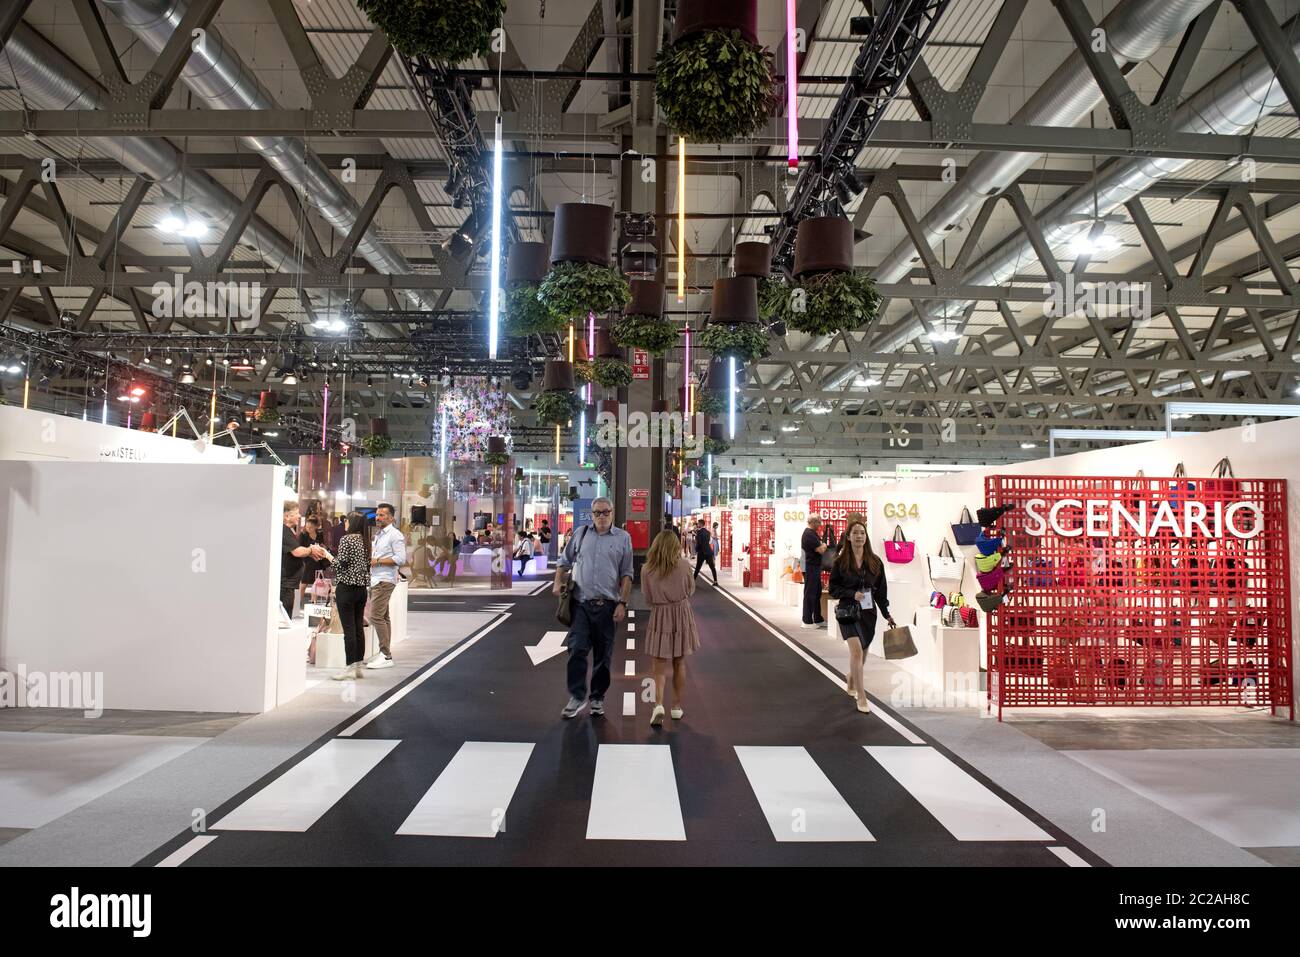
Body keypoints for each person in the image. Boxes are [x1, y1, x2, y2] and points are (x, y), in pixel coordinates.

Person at [552, 496, 633, 719]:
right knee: (576, 650)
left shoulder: (623, 538)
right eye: (597, 513)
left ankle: (597, 698)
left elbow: (627, 574)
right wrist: (558, 582)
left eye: (606, 512)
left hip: (607, 607)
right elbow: (564, 561)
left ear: (613, 513)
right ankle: (577, 696)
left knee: (603, 656)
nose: (602, 516)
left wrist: (623, 603)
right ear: (592, 514)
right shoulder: (580, 534)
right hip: (581, 605)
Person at [828, 520, 895, 714]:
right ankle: (862, 695)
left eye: (862, 533)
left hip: (868, 614)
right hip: (848, 612)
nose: (859, 536)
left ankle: (851, 678)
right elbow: (833, 588)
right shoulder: (840, 562)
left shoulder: (875, 562)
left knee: (862, 656)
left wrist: (887, 614)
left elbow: (881, 592)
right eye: (855, 533)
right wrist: (851, 594)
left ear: (866, 537)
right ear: (848, 537)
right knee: (856, 651)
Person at [641, 529, 700, 727]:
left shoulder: (647, 568)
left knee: (659, 665)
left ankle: (658, 704)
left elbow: (647, 597)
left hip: (659, 615)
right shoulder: (684, 566)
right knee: (679, 662)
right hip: (681, 614)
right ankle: (676, 707)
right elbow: (690, 590)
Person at [318, 511, 370, 681]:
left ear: (352, 522)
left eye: (347, 521)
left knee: (349, 629)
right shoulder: (365, 541)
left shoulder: (346, 540)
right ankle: (358, 667)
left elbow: (340, 566)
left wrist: (326, 555)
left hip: (346, 588)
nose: (345, 524)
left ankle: (349, 668)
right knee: (357, 628)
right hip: (361, 589)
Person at [367, 503, 406, 669]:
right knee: (383, 616)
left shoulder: (394, 535)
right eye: (377, 514)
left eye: (382, 515)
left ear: (391, 518)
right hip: (377, 578)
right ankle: (385, 653)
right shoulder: (380, 534)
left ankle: (385, 655)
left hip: (385, 579)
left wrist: (378, 561)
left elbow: (400, 559)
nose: (378, 517)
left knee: (375, 616)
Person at [280, 502, 321, 618]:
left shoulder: (288, 531)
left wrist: (309, 552)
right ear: (287, 516)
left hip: (289, 583)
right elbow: (297, 551)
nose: (299, 516)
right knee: (284, 618)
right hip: (286, 584)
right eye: (296, 513)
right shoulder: (284, 530)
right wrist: (311, 550)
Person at [800, 514, 828, 629]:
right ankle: (806, 620)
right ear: (812, 522)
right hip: (810, 567)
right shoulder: (809, 535)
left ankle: (817, 618)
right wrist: (824, 545)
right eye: (818, 522)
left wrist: (822, 545)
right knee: (810, 594)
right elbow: (821, 550)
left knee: (817, 593)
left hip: (814, 567)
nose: (820, 525)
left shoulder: (812, 534)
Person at [298, 516, 328, 611]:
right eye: (307, 527)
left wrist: (322, 549)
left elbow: (322, 546)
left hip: (318, 561)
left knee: (317, 582)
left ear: (315, 527)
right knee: (303, 583)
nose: (308, 529)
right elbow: (300, 549)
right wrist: (310, 554)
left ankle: (313, 602)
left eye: (310, 527)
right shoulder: (303, 535)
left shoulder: (320, 534)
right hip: (307, 562)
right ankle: (298, 603)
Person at [692, 519, 719, 585]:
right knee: (712, 567)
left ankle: (693, 582)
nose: (698, 525)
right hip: (708, 551)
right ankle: (715, 581)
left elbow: (699, 543)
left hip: (701, 552)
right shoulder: (708, 532)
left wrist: (696, 549)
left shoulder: (699, 532)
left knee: (698, 567)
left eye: (698, 523)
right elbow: (708, 541)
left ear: (701, 524)